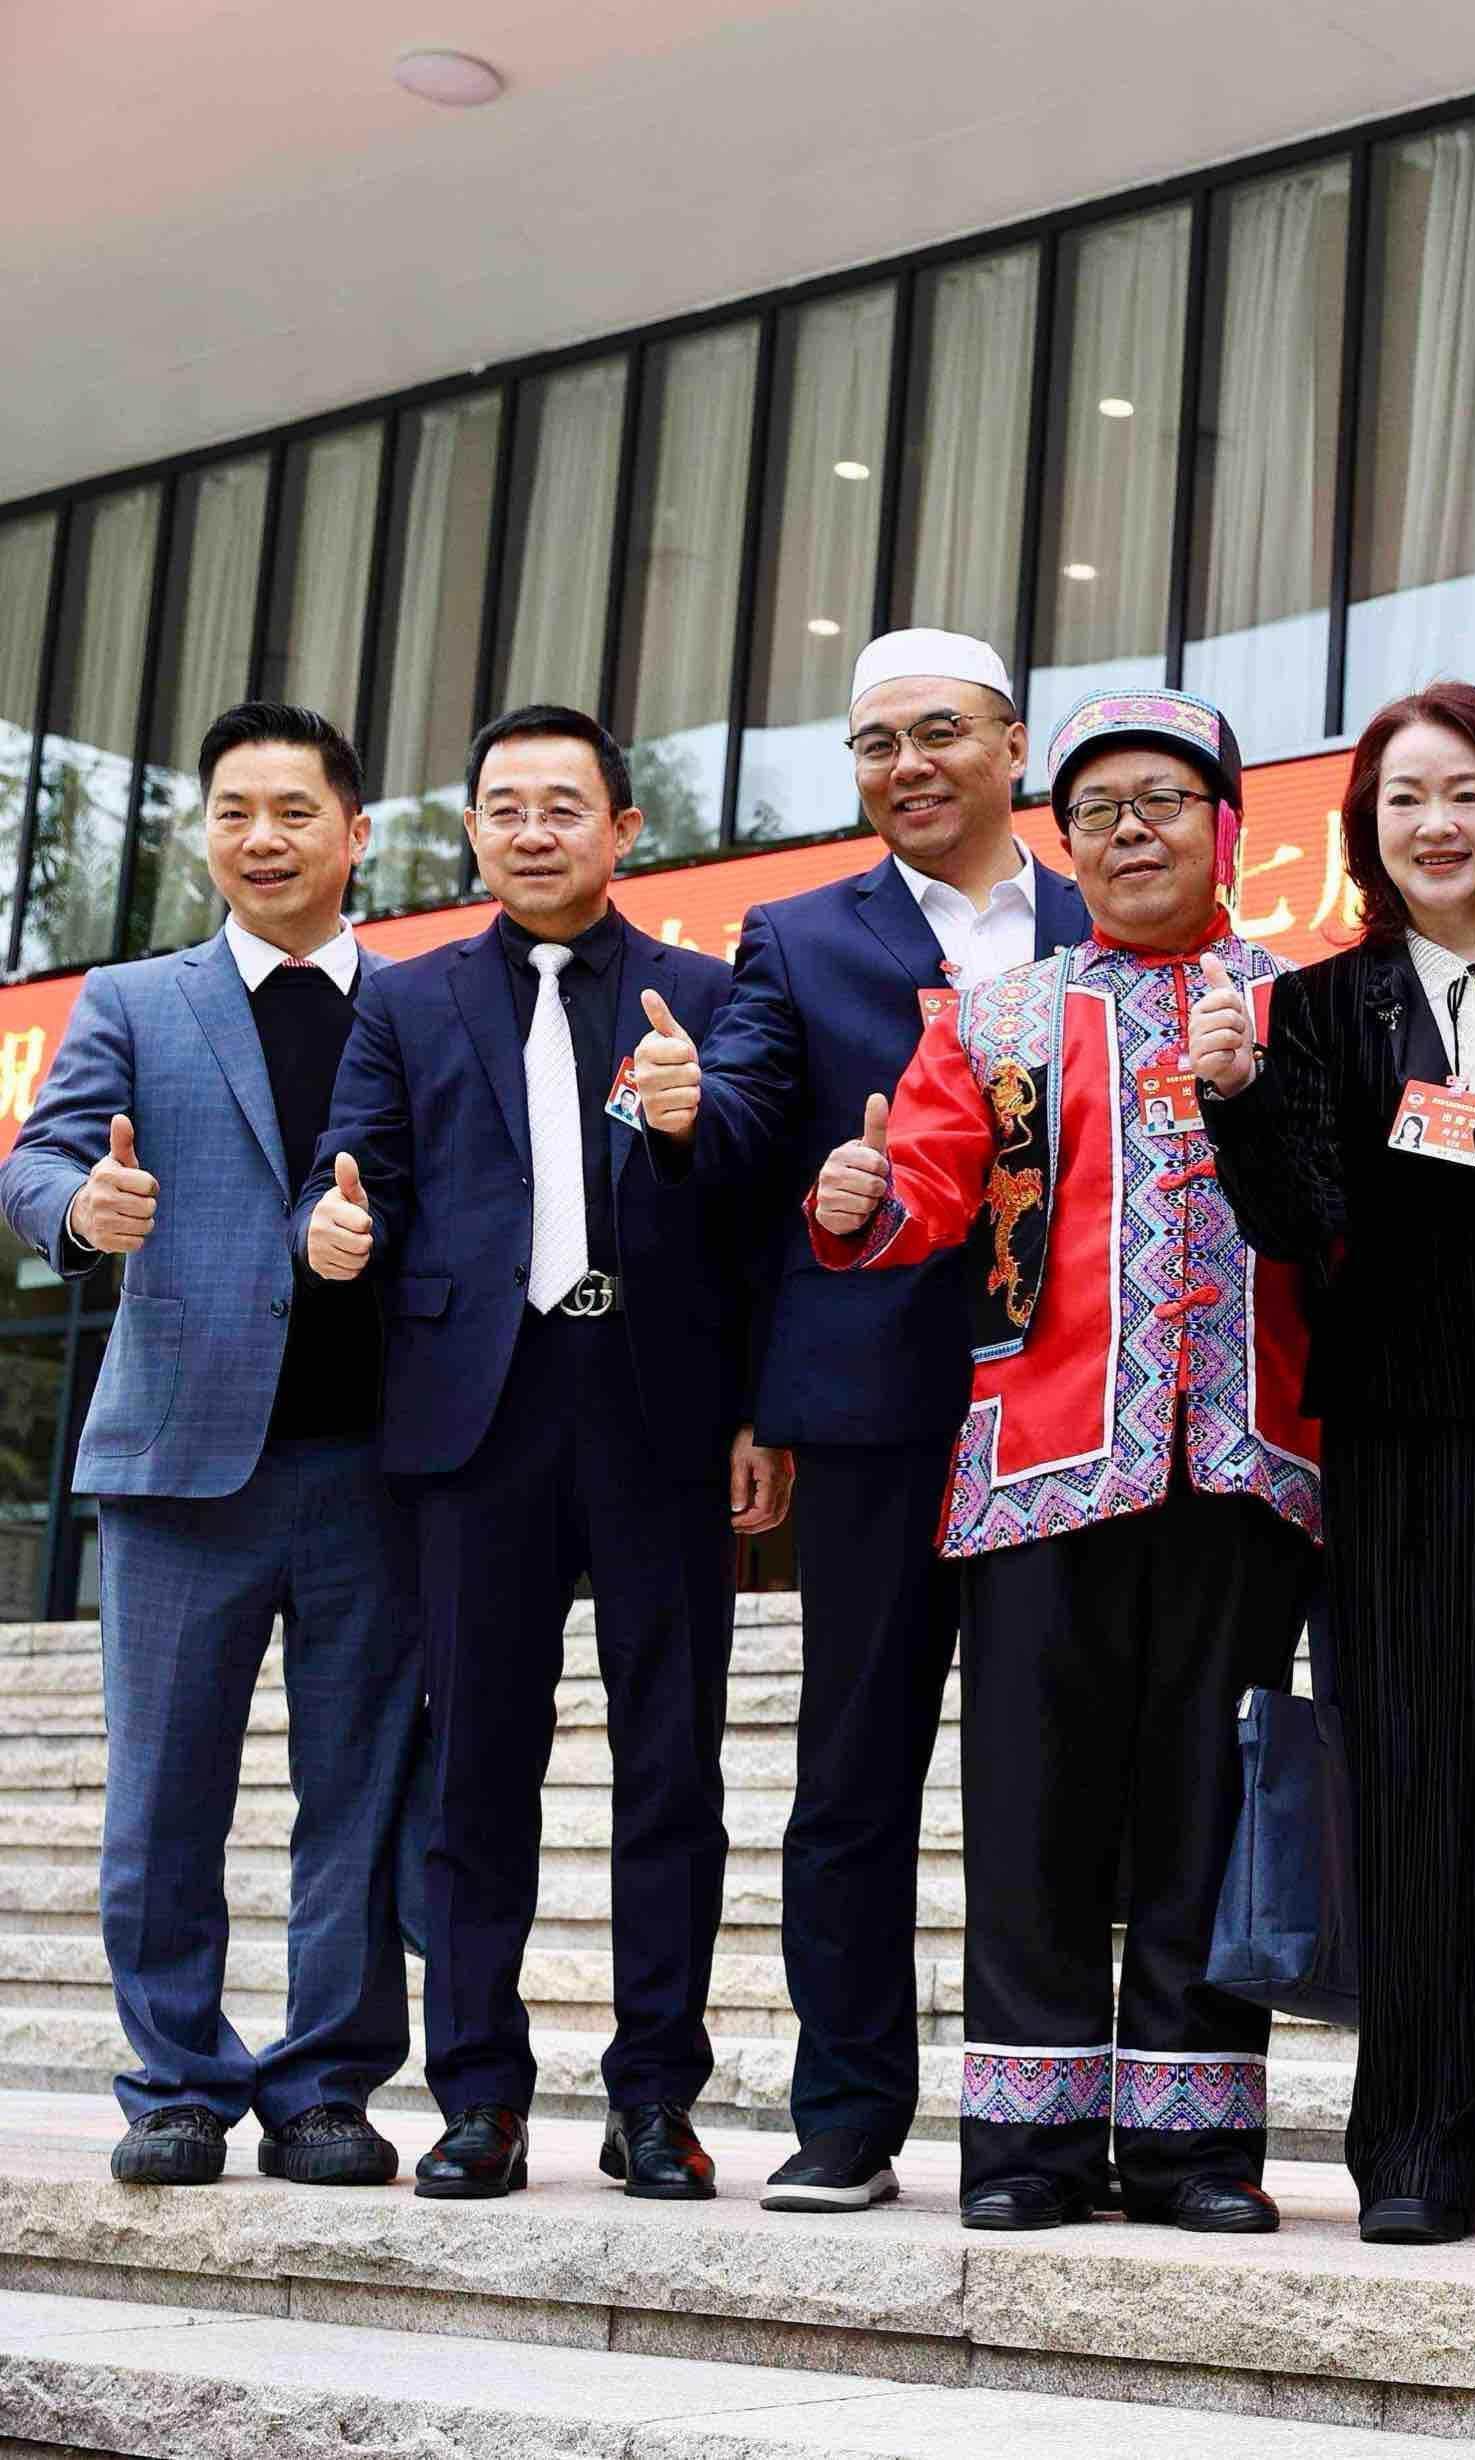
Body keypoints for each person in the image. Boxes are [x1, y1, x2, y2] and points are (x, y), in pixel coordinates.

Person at [803, 687, 1321, 2236]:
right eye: (1098, 810)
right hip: (1040, 1467)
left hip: (1244, 1463)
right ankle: (1026, 2149)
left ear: (1228, 828)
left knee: (1203, 1811)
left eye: (1164, 802)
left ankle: (1189, 2150)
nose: (1130, 832)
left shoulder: (1301, 1008)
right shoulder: (998, 1016)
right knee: (1034, 1819)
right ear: (1067, 840)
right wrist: (858, 1200)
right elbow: (929, 1186)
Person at [299, 704, 783, 2203]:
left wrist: (698, 1131)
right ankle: (478, 2100)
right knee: (475, 1771)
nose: (531, 831)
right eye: (503, 807)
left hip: (656, 1411)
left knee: (672, 1768)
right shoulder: (409, 999)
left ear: (624, 830)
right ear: (472, 833)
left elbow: (754, 1206)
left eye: (563, 806)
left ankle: (657, 2099)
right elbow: (357, 1165)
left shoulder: (703, 991)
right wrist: (333, 1228)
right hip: (476, 1418)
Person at [629, 628, 1086, 2215]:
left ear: (1013, 747)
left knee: (1054, 1770)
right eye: (876, 742)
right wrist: (694, 1113)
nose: (908, 764)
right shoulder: (801, 935)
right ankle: (846, 2115)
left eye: (939, 732)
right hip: (877, 1402)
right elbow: (749, 1116)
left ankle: (1050, 2125)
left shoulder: (1101, 916)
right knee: (852, 1772)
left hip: (1072, 1403)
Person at [0, 703, 421, 2191]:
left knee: (358, 1797)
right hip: (181, 1462)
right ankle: (176, 2082)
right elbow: (38, 1160)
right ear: (205, 836)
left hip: (376, 1467)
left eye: (295, 811)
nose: (263, 837)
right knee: (163, 1797)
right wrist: (79, 1210)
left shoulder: (421, 1002)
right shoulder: (135, 998)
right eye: (235, 811)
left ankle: (327, 2087)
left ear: (354, 834)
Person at [1199, 681, 1475, 2244]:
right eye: (1405, 799)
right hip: (1397, 1425)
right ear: (1366, 829)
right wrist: (1237, 1102)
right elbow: (1297, 1222)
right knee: (1414, 1777)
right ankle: (1415, 2146)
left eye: (1467, 793)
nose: (1437, 825)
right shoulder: (1316, 1008)